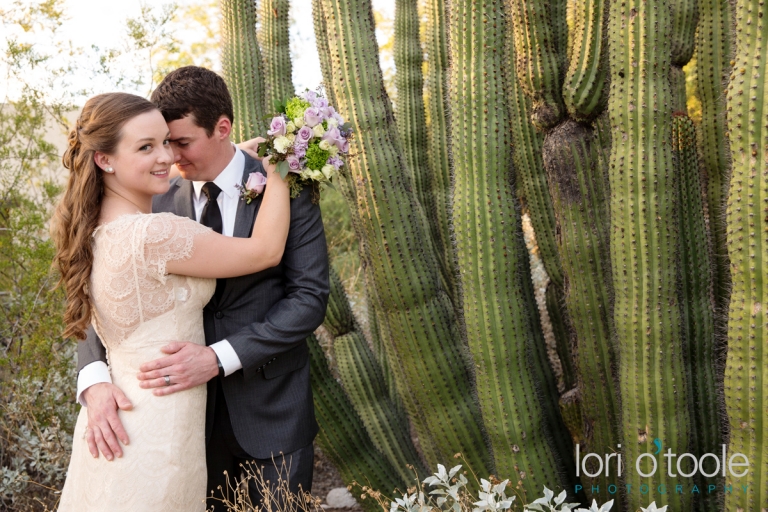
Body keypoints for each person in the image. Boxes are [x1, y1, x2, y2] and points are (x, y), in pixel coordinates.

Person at [74, 67, 330, 511]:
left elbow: (308, 298)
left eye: (180, 142)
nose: (169, 156)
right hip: (175, 423)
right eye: (158, 143)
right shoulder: (153, 200)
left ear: (222, 129)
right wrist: (93, 379)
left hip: (269, 413)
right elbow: (105, 296)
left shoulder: (285, 186)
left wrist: (218, 357)